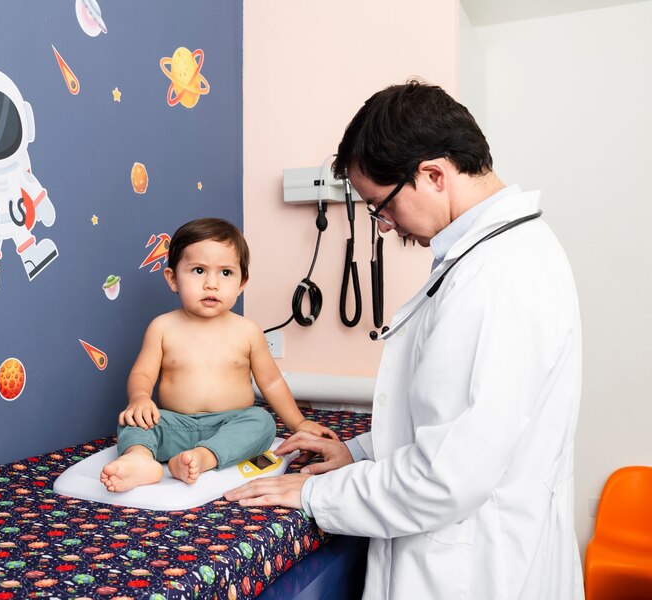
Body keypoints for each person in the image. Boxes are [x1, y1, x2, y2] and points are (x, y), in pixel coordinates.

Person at [225, 80, 583, 599]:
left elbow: (444, 479)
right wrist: (359, 451)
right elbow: (452, 424)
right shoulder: (494, 257)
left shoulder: (498, 278)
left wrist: (313, 491)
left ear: (434, 175)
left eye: (381, 206)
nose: (385, 226)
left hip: (474, 572)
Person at [101, 217, 338, 493]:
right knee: (131, 421)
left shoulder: (248, 331)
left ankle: (202, 458)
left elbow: (271, 382)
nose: (211, 284)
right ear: (173, 279)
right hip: (175, 424)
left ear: (241, 283)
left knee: (261, 422)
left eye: (225, 273)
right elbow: (142, 373)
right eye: (198, 270)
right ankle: (139, 460)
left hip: (232, 423)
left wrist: (299, 423)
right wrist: (140, 399)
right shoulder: (162, 327)